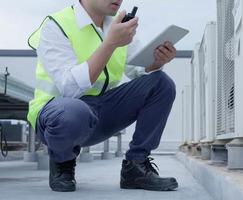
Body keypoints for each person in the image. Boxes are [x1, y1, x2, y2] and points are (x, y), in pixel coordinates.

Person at [27, 0, 178, 192]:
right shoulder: (56, 24)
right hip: (59, 117)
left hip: (100, 113)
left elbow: (139, 70)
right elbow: (70, 89)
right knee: (74, 110)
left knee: (160, 83)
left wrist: (156, 62)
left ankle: (136, 167)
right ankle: (62, 162)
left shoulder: (116, 26)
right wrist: (110, 43)